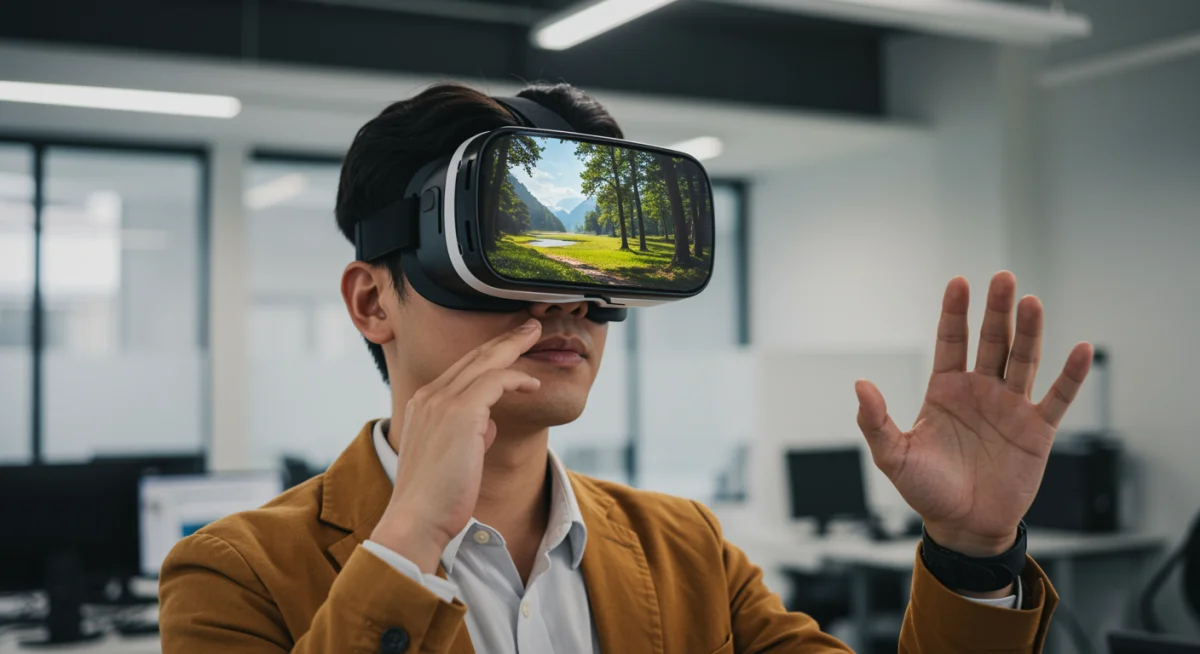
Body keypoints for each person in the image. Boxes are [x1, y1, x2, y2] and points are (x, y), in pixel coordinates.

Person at [159, 82, 1094, 653]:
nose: (567, 304)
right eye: (506, 256)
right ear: (373, 302)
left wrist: (973, 558)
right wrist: (406, 545)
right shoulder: (234, 573)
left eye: (596, 270)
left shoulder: (688, 551)